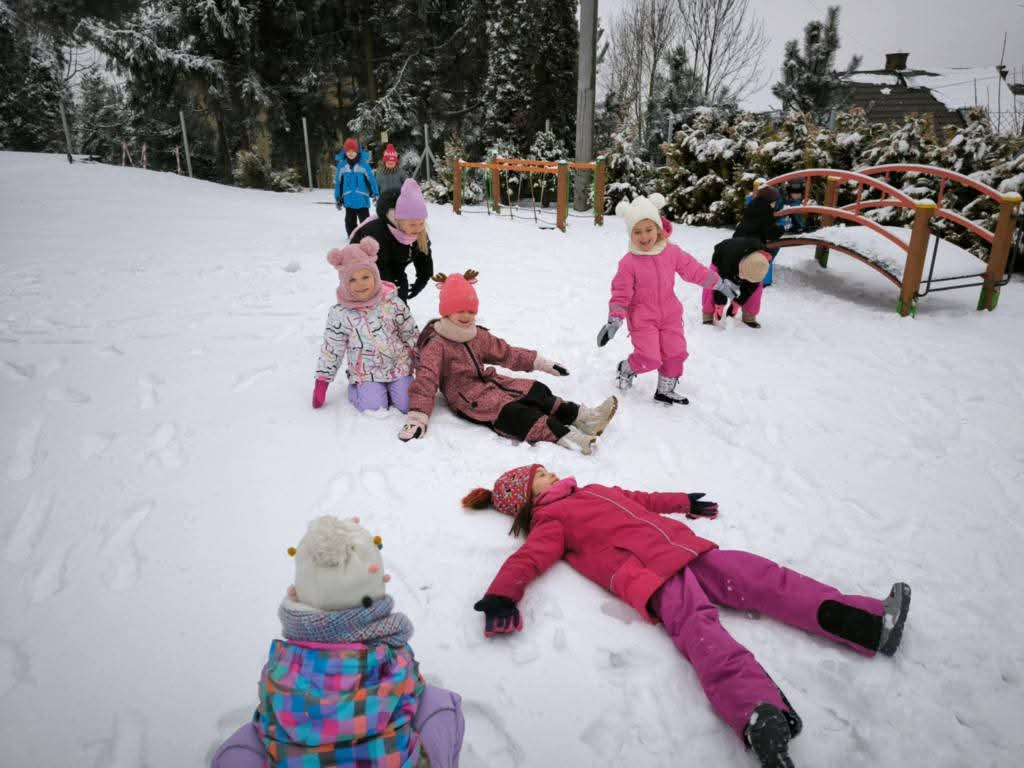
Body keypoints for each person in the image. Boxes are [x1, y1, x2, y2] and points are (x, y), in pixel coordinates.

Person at [464, 464, 912, 768]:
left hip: (690, 550)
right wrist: (503, 595)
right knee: (703, 636)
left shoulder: (597, 489)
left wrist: (684, 502)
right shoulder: (550, 521)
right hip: (652, 578)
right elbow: (528, 559)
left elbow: (644, 498)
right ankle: (759, 714)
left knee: (769, 580)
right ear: (526, 497)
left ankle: (872, 625)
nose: (551, 472)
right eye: (539, 475)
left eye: (546, 468)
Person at [211, 515, 464, 768]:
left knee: (242, 744)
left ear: (298, 595)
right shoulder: (394, 658)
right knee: (441, 703)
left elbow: (267, 720)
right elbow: (413, 692)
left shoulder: (279, 666)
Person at [398, 271, 618, 454]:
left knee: (536, 391)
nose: (466, 316)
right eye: (459, 310)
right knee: (518, 414)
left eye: (470, 310)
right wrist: (417, 417)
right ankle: (570, 438)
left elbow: (507, 353)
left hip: (490, 382)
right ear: (446, 311)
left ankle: (585, 418)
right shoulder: (436, 344)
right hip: (468, 398)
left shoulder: (476, 335)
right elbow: (426, 379)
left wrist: (541, 363)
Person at [596, 193, 738, 405]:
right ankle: (626, 368)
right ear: (630, 234)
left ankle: (665, 389)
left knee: (676, 353)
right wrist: (615, 319)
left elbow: (694, 270)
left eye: (648, 229)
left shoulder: (671, 252)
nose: (644, 237)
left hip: (670, 314)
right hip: (643, 318)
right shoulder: (629, 263)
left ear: (658, 228)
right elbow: (620, 293)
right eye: (637, 232)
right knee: (649, 358)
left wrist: (719, 284)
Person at [311, 237, 418, 412]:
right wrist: (322, 382)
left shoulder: (393, 303)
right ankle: (356, 390)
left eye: (365, 277)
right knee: (374, 407)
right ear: (343, 282)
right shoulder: (340, 313)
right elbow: (332, 349)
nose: (360, 284)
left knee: (408, 405)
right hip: (366, 372)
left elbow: (411, 335)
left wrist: (422, 366)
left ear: (375, 275)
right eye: (352, 280)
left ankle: (393, 390)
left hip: (399, 366)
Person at [350, 179, 433, 303]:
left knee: (399, 310)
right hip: (365, 278)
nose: (418, 228)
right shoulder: (377, 234)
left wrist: (423, 279)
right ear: (398, 220)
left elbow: (424, 255)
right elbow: (382, 268)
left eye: (421, 223)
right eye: (412, 224)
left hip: (395, 271)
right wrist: (392, 294)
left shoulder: (418, 232)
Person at [702, 237, 772, 329]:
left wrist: (738, 302)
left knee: (757, 288)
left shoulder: (762, 263)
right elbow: (720, 284)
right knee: (710, 281)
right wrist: (719, 304)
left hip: (747, 257)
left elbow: (751, 286)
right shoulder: (728, 261)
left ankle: (749, 317)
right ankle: (707, 314)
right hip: (723, 255)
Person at [335, 138, 379, 236]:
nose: (351, 153)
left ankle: (366, 236)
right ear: (345, 152)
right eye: (348, 151)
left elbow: (371, 180)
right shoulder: (342, 166)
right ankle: (352, 237)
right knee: (349, 221)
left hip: (362, 200)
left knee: (365, 222)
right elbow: (338, 183)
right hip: (348, 200)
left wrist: (375, 194)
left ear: (357, 151)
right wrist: (338, 197)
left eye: (353, 151)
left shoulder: (364, 165)